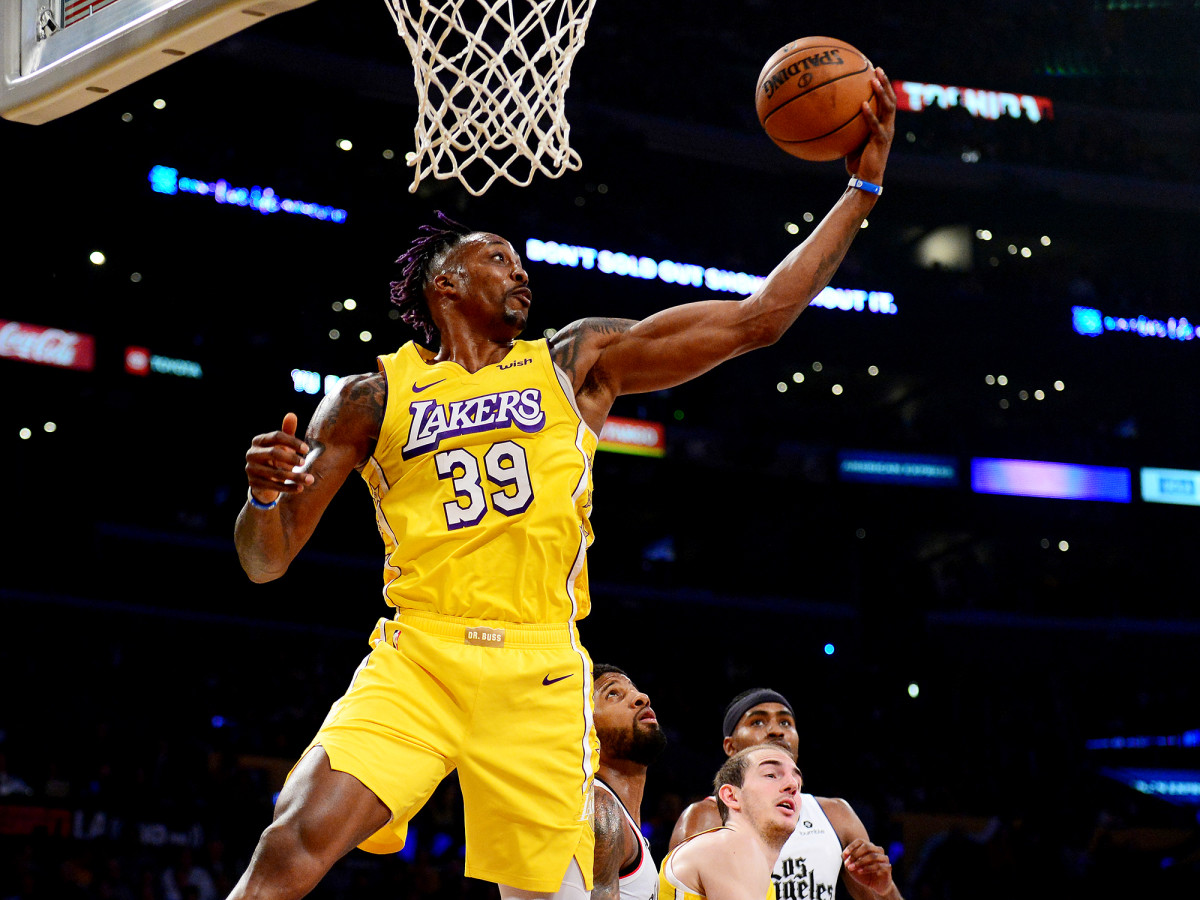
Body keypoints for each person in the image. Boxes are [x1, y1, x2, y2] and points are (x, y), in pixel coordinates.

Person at [230, 71, 896, 900]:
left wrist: (860, 190)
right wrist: (264, 500)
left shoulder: (574, 362)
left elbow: (756, 320)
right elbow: (266, 562)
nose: (520, 271)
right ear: (445, 284)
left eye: (519, 260)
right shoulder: (370, 398)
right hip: (420, 654)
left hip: (541, 668)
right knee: (289, 845)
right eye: (496, 258)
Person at [668, 689, 902, 900]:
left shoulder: (835, 815)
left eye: (786, 723)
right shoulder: (703, 818)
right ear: (731, 747)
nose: (776, 730)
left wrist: (886, 889)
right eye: (758, 722)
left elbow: (880, 893)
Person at [658, 744, 802, 900]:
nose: (793, 785)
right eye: (771, 775)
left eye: (798, 783)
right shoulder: (728, 845)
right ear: (731, 796)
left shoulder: (752, 871)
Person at [592, 664, 667, 900]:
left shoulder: (619, 818)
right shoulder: (600, 808)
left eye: (635, 690)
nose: (642, 698)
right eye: (613, 693)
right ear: (583, 724)